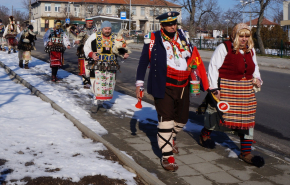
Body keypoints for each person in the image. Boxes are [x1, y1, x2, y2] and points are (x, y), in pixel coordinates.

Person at [199, 23, 264, 167]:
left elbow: (255, 67)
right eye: (241, 36)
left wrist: (257, 79)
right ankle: (204, 135)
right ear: (235, 35)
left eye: (247, 36)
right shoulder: (224, 47)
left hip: (245, 90)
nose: (244, 39)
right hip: (226, 88)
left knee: (247, 119)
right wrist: (215, 88)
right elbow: (213, 67)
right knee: (218, 116)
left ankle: (246, 152)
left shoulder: (250, 50)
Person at [135, 11, 194, 172]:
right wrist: (139, 83)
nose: (172, 26)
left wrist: (196, 77)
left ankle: (169, 138)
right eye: (169, 24)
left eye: (174, 23)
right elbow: (143, 62)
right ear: (162, 25)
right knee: (166, 120)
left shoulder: (183, 36)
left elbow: (192, 59)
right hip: (163, 85)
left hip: (183, 85)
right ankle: (167, 156)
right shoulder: (153, 38)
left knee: (182, 119)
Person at [84, 21, 129, 112]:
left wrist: (123, 54)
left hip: (111, 65)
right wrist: (91, 54)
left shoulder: (115, 37)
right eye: (105, 29)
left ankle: (101, 103)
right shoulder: (94, 36)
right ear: (102, 29)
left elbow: (119, 49)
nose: (107, 31)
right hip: (97, 65)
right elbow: (86, 47)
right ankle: (95, 103)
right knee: (97, 85)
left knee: (107, 85)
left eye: (109, 29)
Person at [70, 18, 98, 89]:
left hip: (93, 50)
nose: (90, 24)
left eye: (91, 23)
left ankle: (92, 80)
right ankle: (86, 81)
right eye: (89, 23)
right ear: (86, 22)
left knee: (93, 65)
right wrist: (76, 41)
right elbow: (75, 37)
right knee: (84, 67)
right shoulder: (81, 29)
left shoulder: (95, 29)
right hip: (82, 49)